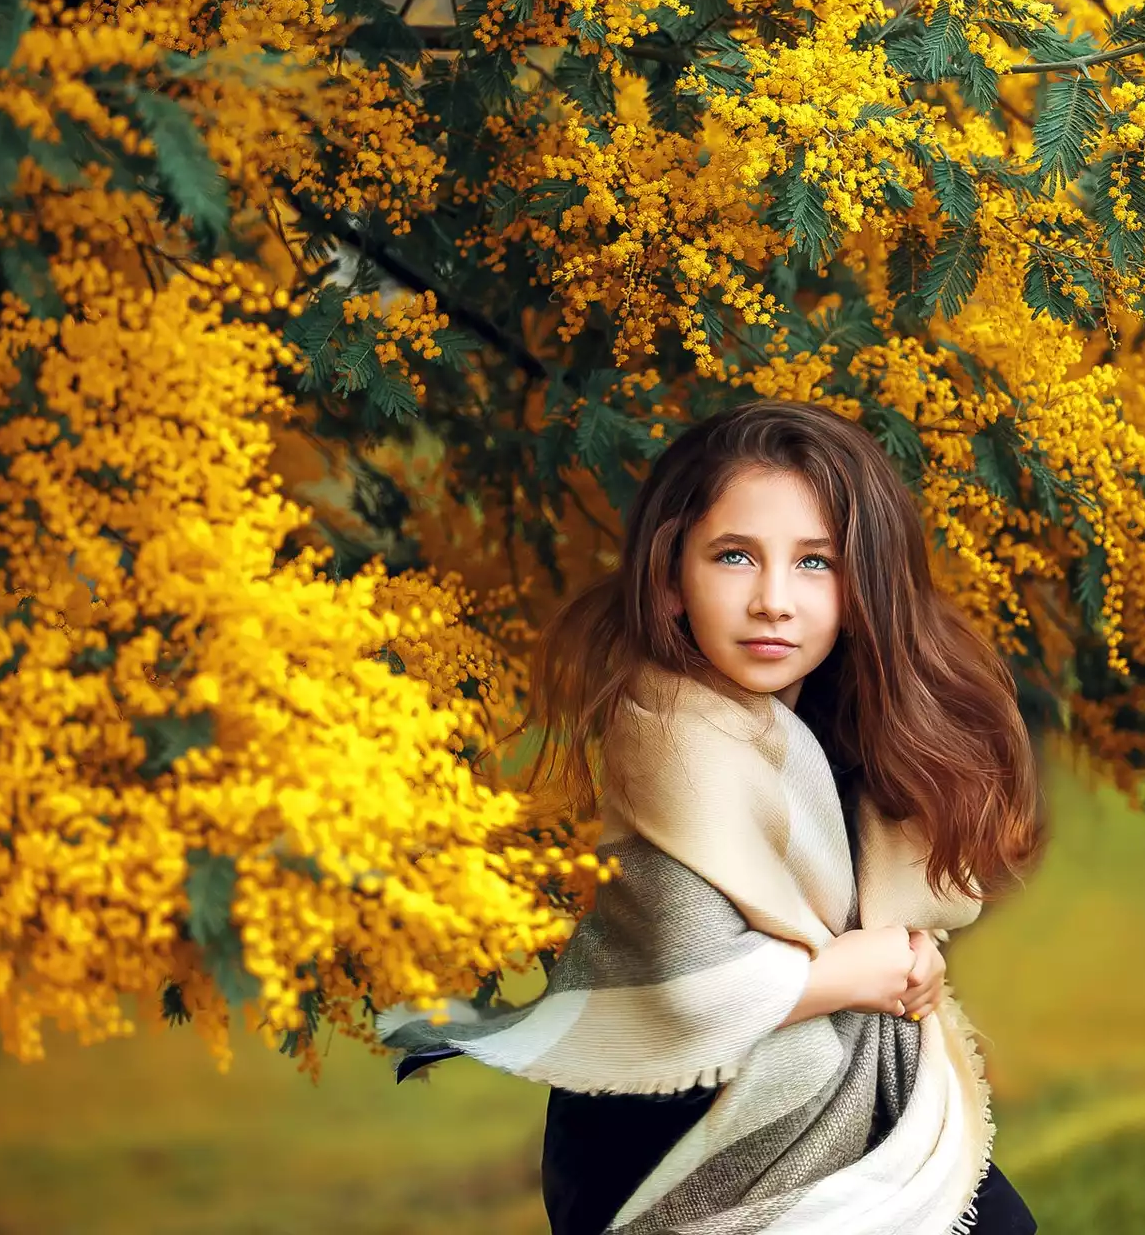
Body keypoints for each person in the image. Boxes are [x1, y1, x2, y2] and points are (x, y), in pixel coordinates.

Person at [380, 400, 1044, 1234]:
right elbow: (694, 988)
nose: (773, 600)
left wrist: (909, 962)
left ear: (861, 586)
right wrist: (855, 976)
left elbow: (879, 918)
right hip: (668, 1139)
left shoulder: (827, 739)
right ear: (670, 580)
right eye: (735, 557)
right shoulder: (673, 744)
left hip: (821, 1095)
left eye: (815, 563)